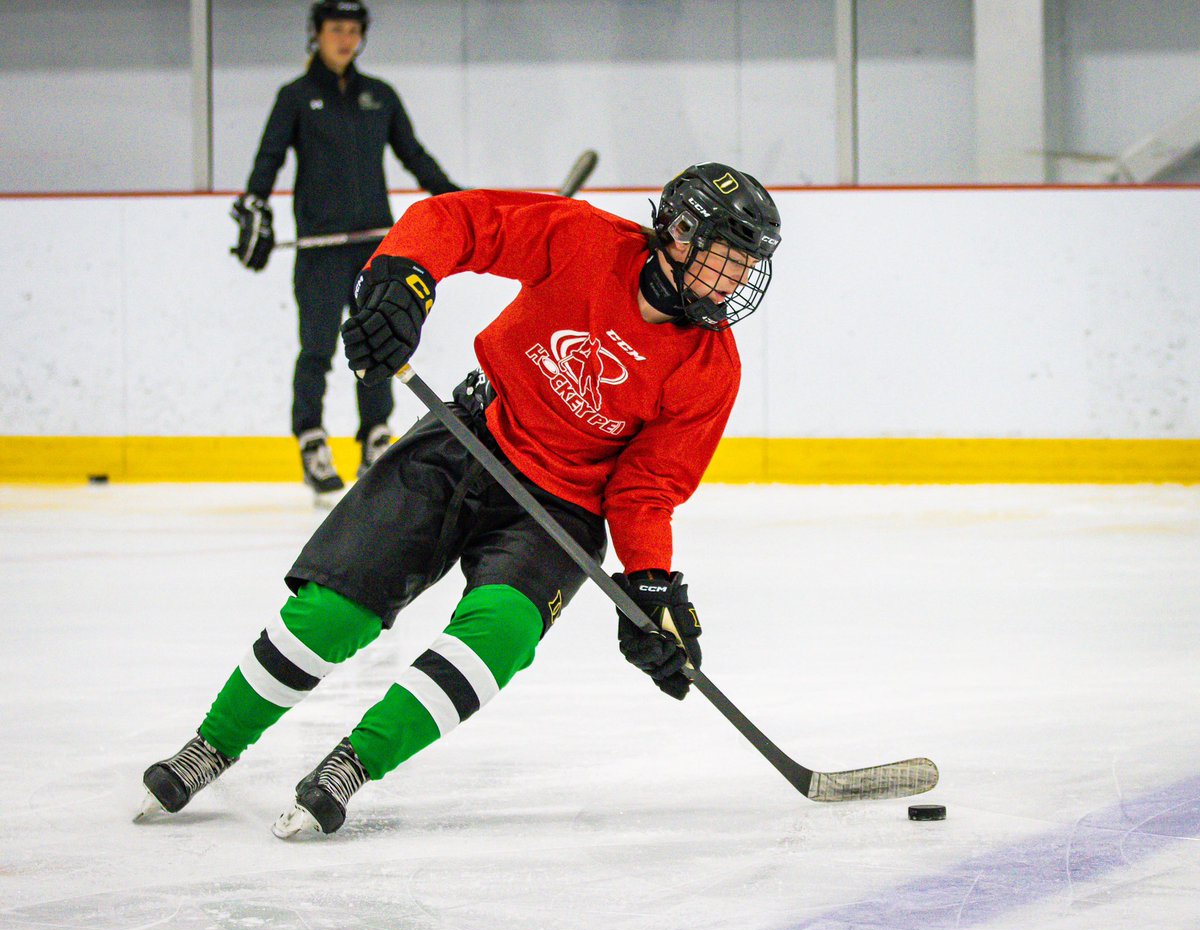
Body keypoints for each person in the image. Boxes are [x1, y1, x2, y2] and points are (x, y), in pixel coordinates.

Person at [138, 162, 782, 838]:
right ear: (679, 234)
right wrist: (402, 278)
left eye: (747, 266)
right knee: (333, 609)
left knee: (499, 634)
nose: (737, 282)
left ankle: (352, 765)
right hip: (468, 439)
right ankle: (210, 746)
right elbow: (457, 220)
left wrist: (649, 583)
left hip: (559, 511)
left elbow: (646, 486)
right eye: (728, 258)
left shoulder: (711, 368)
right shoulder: (585, 240)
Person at [230, 0, 461, 504]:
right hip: (319, 250)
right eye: (336, 29)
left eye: (354, 30)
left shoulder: (380, 97)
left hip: (375, 247)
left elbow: (414, 156)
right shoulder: (295, 97)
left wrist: (456, 200)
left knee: (375, 343)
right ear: (316, 34)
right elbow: (267, 160)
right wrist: (254, 208)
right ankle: (312, 439)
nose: (346, 39)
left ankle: (375, 436)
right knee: (317, 348)